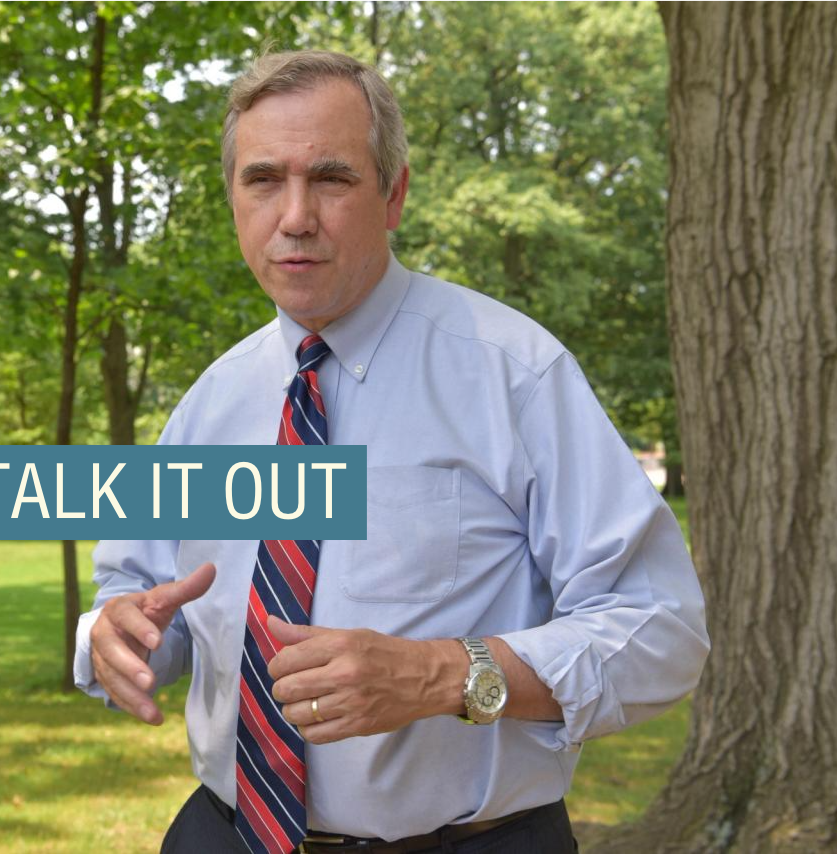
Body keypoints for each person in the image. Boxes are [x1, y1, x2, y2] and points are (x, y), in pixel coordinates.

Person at [75, 50, 709, 854]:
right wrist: (116, 634)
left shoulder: (513, 374)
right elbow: (134, 597)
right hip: (223, 834)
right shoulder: (210, 401)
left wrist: (442, 675)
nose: (295, 216)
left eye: (331, 178)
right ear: (233, 198)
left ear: (394, 194)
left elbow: (659, 630)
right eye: (263, 180)